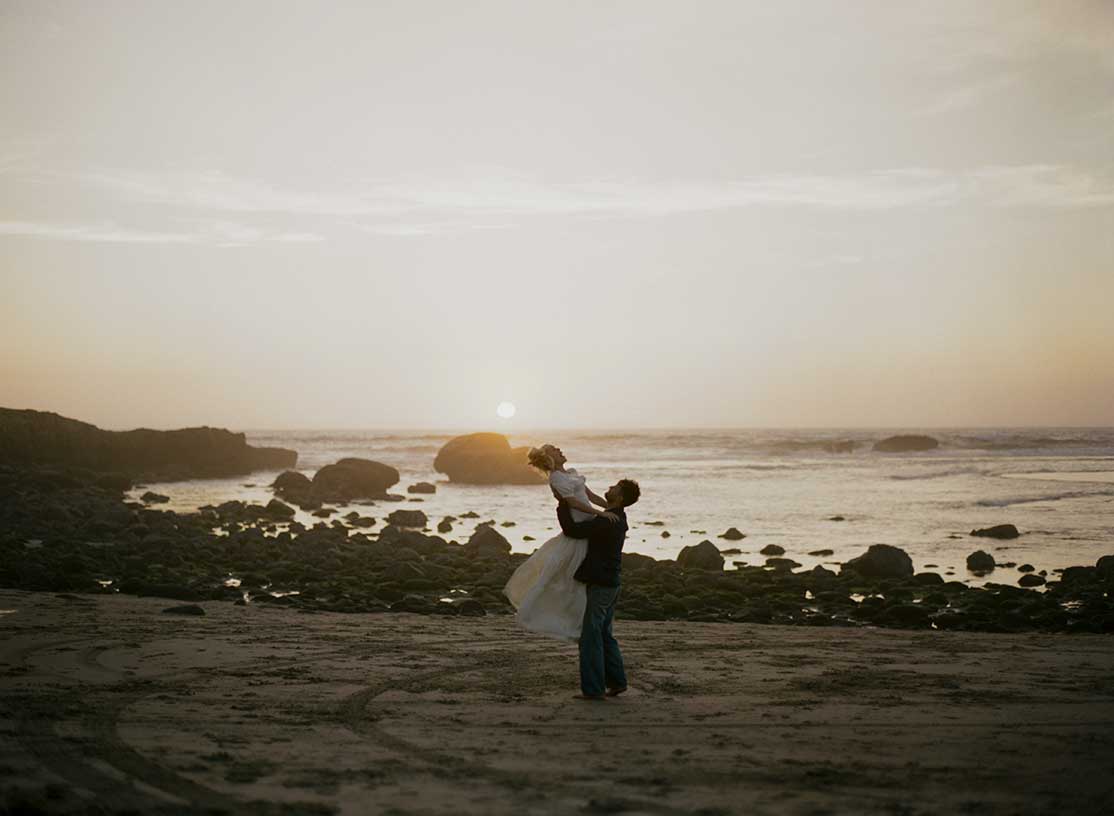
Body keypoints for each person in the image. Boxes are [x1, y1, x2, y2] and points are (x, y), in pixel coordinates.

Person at [502, 444, 619, 640]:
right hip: (580, 529)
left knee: (577, 577)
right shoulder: (556, 478)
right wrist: (600, 514)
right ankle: (570, 621)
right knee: (567, 578)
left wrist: (611, 509)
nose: (560, 450)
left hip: (589, 526)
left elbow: (590, 496)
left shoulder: (571, 473)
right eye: (555, 449)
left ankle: (583, 620)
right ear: (549, 458)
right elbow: (573, 502)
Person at [556, 477, 640, 700]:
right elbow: (594, 501)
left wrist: (563, 503)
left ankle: (593, 689)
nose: (610, 487)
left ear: (619, 498)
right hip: (611, 583)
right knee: (604, 634)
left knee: (591, 637)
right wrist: (577, 492)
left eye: (615, 488)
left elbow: (573, 530)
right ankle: (617, 682)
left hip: (602, 584)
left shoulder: (608, 521)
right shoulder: (616, 516)